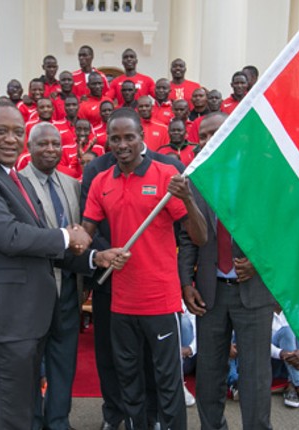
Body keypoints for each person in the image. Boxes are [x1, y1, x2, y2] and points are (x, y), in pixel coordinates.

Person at [0, 100, 126, 428]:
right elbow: (9, 236)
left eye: (17, 131)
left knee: (21, 411)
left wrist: (91, 258)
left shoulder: (12, 177)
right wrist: (66, 237)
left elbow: (35, 245)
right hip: (4, 319)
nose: (10, 139)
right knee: (12, 417)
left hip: (25, 317)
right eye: (1, 131)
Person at [81, 107, 206, 430]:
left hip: (160, 301)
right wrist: (80, 243)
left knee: (167, 381)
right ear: (107, 141)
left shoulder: (166, 176)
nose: (122, 144)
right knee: (130, 380)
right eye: (115, 138)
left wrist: (188, 199)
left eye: (129, 137)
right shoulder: (100, 181)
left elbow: (200, 236)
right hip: (121, 301)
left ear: (142, 138)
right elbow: (85, 235)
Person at [179, 112, 275, 430]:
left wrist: (260, 261)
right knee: (208, 374)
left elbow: (282, 232)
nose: (208, 141)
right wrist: (185, 283)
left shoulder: (261, 175)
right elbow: (187, 239)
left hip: (254, 292)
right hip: (210, 292)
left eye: (215, 133)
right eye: (202, 136)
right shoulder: (195, 179)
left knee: (256, 377)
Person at [20, 123, 87, 429]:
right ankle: (33, 422)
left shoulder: (72, 184)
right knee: (31, 361)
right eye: (42, 144)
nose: (50, 149)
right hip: (32, 289)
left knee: (64, 360)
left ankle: (58, 421)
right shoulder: (16, 185)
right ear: (29, 147)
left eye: (56, 144)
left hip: (69, 287)